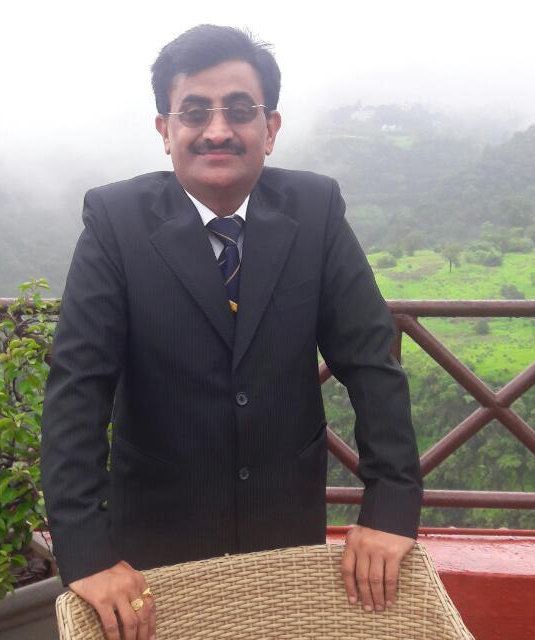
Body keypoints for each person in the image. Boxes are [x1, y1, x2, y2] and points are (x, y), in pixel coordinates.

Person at [41, 24, 423, 640]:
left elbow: (370, 363)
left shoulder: (315, 209)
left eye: (240, 111)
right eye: (195, 112)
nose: (217, 130)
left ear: (269, 128)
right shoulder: (116, 220)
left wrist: (390, 506)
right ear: (165, 129)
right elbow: (78, 386)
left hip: (286, 523)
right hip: (157, 539)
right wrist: (86, 553)